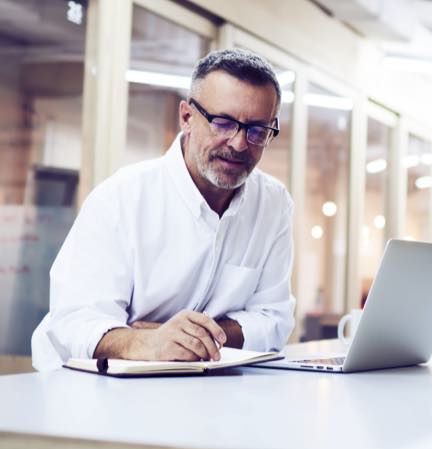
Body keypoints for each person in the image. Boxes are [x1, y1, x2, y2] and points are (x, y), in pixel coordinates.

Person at [31, 48, 295, 371]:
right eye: (223, 123)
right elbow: (73, 322)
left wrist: (184, 337)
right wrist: (146, 342)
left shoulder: (274, 204)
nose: (240, 144)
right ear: (186, 117)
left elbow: (274, 320)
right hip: (87, 391)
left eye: (257, 131)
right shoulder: (121, 199)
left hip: (200, 392)